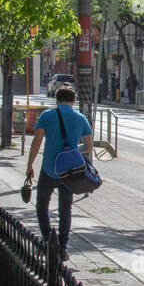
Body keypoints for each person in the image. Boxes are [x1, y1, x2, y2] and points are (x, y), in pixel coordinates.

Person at [25, 88, 94, 261]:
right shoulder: (81, 118)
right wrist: (73, 153)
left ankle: (49, 240)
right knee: (66, 209)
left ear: (57, 99)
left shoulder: (47, 116)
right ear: (74, 100)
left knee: (42, 205)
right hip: (69, 171)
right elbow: (88, 146)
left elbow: (36, 141)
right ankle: (62, 246)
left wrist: (30, 165)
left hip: (49, 168)